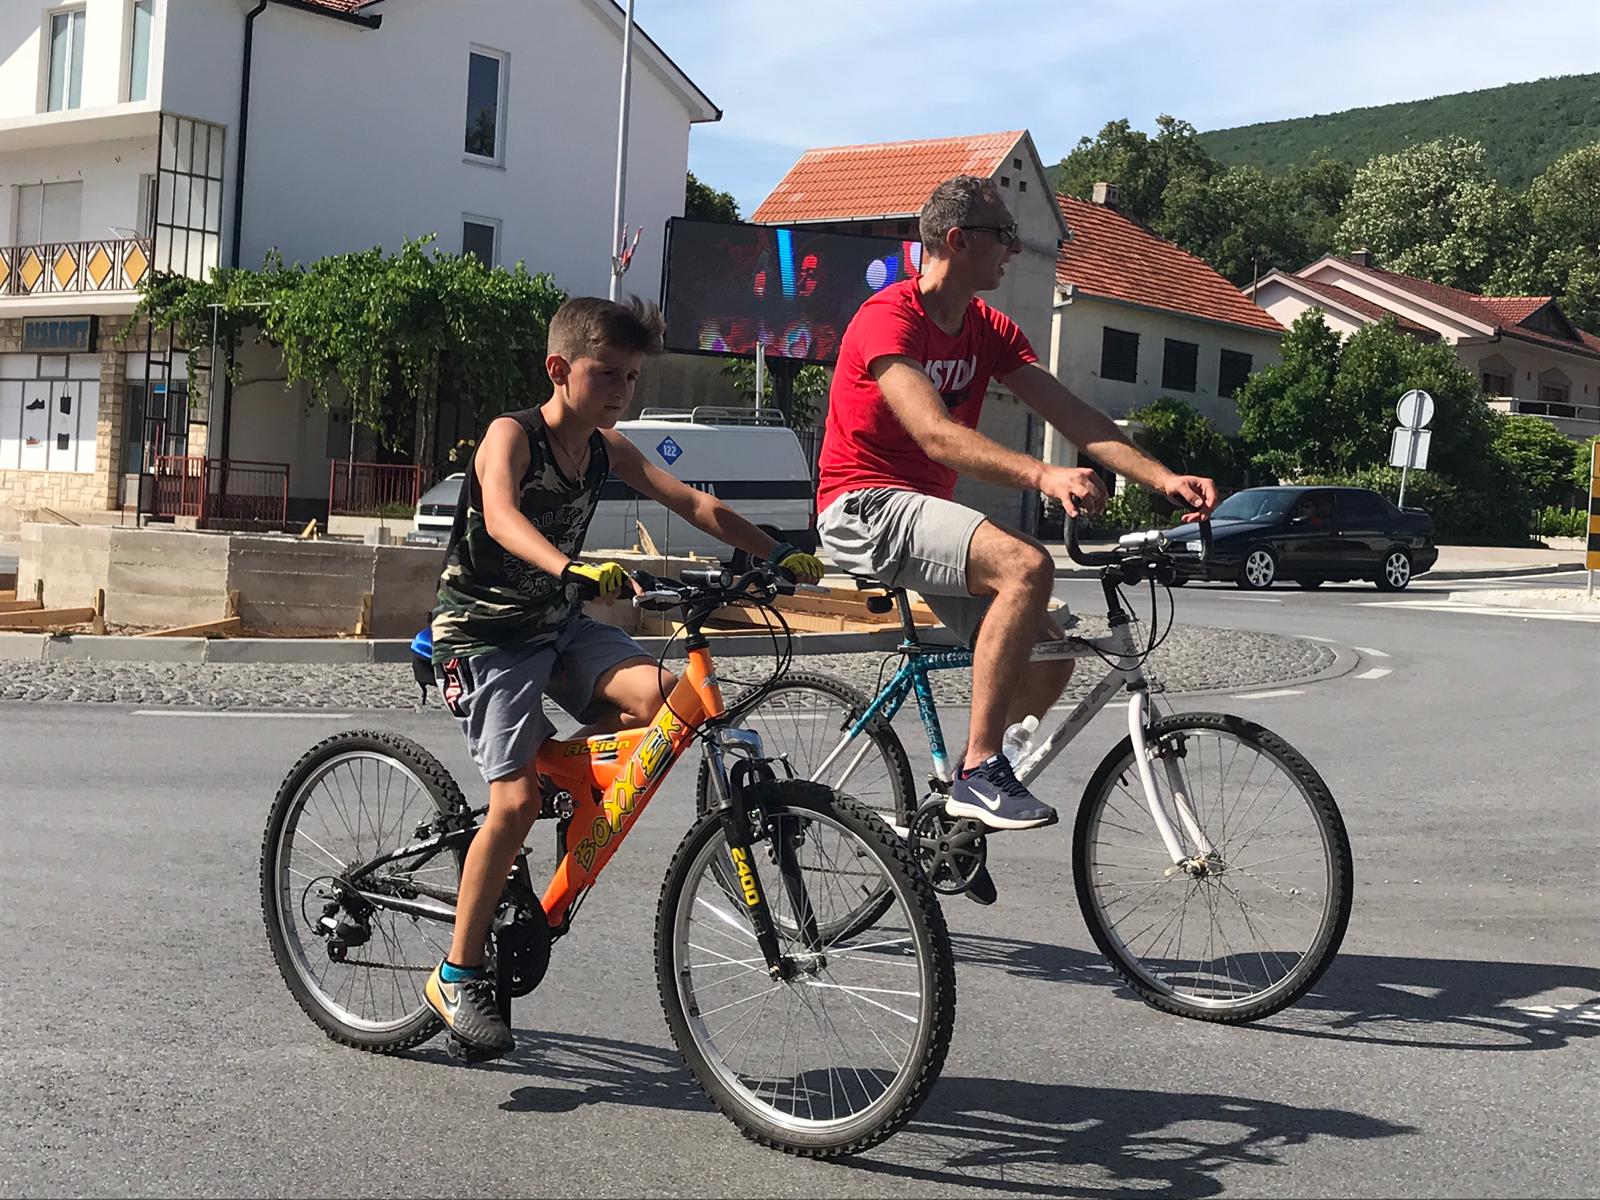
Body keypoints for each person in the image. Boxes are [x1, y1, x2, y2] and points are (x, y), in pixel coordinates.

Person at [424, 295, 824, 1058]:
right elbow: (502, 516)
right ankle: (457, 972)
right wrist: (568, 566)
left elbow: (691, 500)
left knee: (670, 703)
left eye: (632, 378)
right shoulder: (513, 435)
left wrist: (772, 550)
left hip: (559, 626)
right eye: (607, 374)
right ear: (559, 368)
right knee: (512, 803)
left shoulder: (607, 448)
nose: (621, 391)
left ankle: (564, 778)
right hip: (485, 637)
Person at [815, 175, 1216, 834]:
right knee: (1027, 564)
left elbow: (1072, 414)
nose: (1016, 249)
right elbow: (935, 434)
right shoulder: (889, 317)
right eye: (1005, 236)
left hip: (924, 513)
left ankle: (957, 808)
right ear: (957, 240)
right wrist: (1043, 475)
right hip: (863, 505)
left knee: (1049, 655)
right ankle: (980, 769)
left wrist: (1163, 478)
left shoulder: (988, 328)